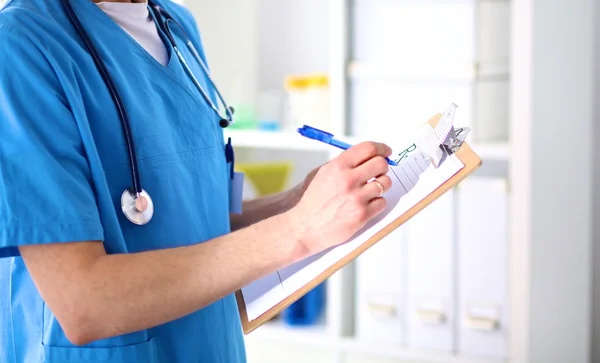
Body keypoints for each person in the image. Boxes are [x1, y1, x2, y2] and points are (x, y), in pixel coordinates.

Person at [0, 0, 393, 362]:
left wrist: (296, 202)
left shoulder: (178, 26)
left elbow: (204, 219)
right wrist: (297, 229)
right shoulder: (21, 46)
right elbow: (83, 303)